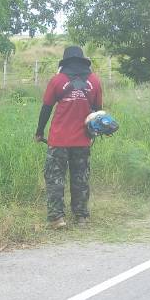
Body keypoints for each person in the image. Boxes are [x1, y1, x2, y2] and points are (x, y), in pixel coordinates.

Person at [34, 45, 105, 228]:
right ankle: (81, 217)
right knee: (80, 177)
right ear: (83, 61)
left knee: (55, 179)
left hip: (58, 140)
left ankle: (57, 218)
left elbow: (46, 108)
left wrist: (39, 132)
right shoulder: (95, 81)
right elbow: (98, 112)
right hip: (83, 140)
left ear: (65, 62)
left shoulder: (57, 80)